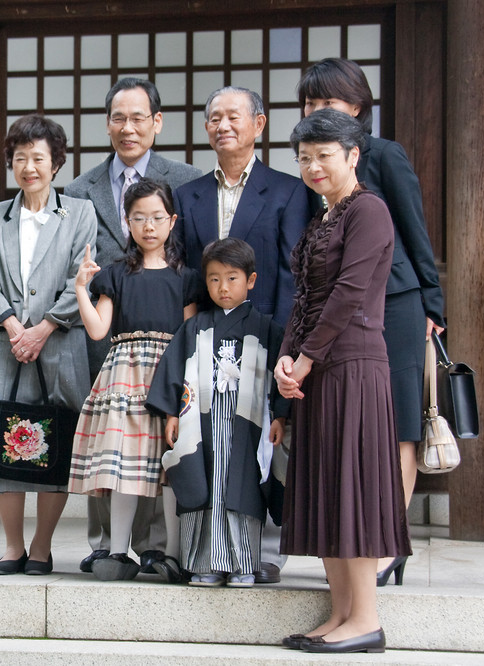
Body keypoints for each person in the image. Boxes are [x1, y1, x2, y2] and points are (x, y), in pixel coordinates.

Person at [297, 58, 445, 585]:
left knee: (400, 423)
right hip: (340, 309)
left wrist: (432, 303)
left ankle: (388, 543)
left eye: (329, 102)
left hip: (397, 301)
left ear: (357, 107)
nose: (318, 111)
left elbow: (414, 228)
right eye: (311, 103)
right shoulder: (313, 160)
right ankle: (355, 545)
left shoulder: (384, 154)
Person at [276, 109, 408, 654]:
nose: (312, 167)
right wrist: (286, 361)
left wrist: (302, 361)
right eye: (304, 158)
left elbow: (349, 295)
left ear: (354, 156)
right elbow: (303, 298)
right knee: (329, 488)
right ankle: (341, 614)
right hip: (317, 370)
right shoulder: (322, 219)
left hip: (353, 366)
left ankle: (367, 620)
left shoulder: (369, 210)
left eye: (323, 155)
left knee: (353, 488)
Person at [172, 86, 311, 585]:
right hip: (206, 337)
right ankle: (207, 550)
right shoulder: (189, 194)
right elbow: (187, 271)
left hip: (264, 334)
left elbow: (296, 273)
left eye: (234, 116)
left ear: (259, 124)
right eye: (213, 117)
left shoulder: (291, 189)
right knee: (209, 441)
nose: (222, 125)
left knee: (261, 443)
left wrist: (286, 343)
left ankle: (264, 551)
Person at [65, 77, 201, 575]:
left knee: (162, 453)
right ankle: (108, 545)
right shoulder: (80, 190)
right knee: (115, 450)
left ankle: (159, 550)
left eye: (138, 117)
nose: (128, 128)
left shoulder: (187, 181)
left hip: (167, 344)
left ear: (157, 122)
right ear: (107, 124)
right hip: (114, 346)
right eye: (118, 118)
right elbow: (74, 263)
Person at [0, 114, 97, 576]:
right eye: (20, 158)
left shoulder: (79, 212)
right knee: (5, 438)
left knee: (56, 441)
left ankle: (42, 547)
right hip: (9, 346)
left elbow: (81, 278)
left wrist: (43, 328)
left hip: (60, 344)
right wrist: (12, 328)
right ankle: (12, 546)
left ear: (56, 163)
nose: (29, 167)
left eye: (39, 158)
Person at [147, 238, 287, 588]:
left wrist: (282, 416)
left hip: (248, 427)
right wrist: (172, 414)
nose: (222, 288)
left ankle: (243, 565)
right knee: (201, 483)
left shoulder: (267, 328)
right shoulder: (195, 328)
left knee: (244, 487)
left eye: (232, 278)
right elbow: (174, 369)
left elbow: (282, 377)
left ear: (251, 280)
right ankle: (203, 564)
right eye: (213, 279)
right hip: (202, 423)